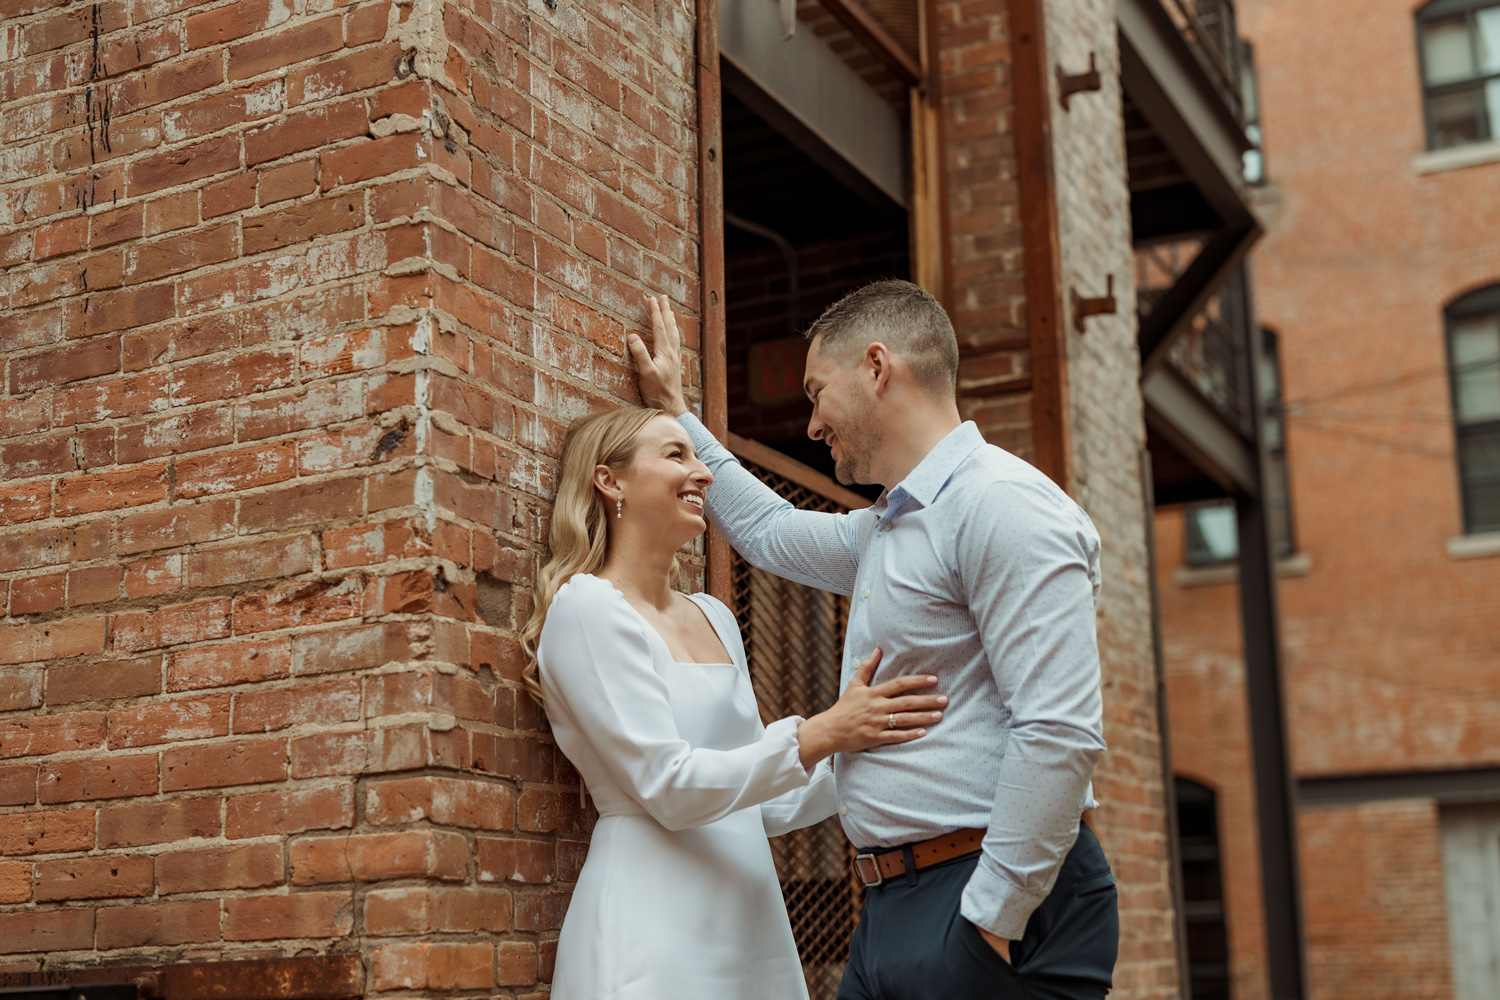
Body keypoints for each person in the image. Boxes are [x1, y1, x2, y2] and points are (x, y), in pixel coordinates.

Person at [630, 283, 1119, 1000]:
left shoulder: (1001, 505)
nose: (812, 424)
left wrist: (990, 921)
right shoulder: (892, 526)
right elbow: (769, 533)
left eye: (817, 391)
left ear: (878, 368)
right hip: (896, 903)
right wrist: (677, 415)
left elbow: (1060, 730)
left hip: (984, 900)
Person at [522, 405, 950, 1000]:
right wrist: (821, 733)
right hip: (653, 926)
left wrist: (872, 742)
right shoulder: (587, 609)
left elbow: (761, 804)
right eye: (677, 454)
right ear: (610, 480)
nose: (703, 473)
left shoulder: (716, 617)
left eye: (699, 456)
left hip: (750, 930)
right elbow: (667, 786)